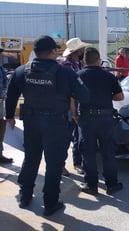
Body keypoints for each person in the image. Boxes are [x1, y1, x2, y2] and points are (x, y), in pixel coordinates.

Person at [5, 35, 89, 216]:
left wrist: (10, 116)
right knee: (54, 163)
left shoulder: (21, 71)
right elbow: (84, 95)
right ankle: (50, 203)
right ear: (53, 52)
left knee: (31, 158)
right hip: (56, 124)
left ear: (35, 52)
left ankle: (25, 195)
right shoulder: (66, 73)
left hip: (32, 123)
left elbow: (11, 95)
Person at [77, 47, 124, 195]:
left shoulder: (78, 76)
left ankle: (91, 185)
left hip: (86, 118)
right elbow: (120, 97)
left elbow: (71, 98)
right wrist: (105, 96)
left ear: (85, 60)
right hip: (105, 118)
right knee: (108, 151)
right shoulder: (109, 76)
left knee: (88, 152)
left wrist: (74, 116)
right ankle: (112, 184)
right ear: (98, 60)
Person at [61, 37, 90, 175]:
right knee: (68, 136)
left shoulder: (78, 63)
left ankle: (77, 162)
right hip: (70, 105)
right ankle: (62, 163)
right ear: (77, 51)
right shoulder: (68, 66)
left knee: (77, 135)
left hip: (78, 103)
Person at [0, 47, 13, 164]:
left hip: (0, 102)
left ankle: (0, 154)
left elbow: (4, 86)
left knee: (1, 126)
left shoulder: (1, 69)